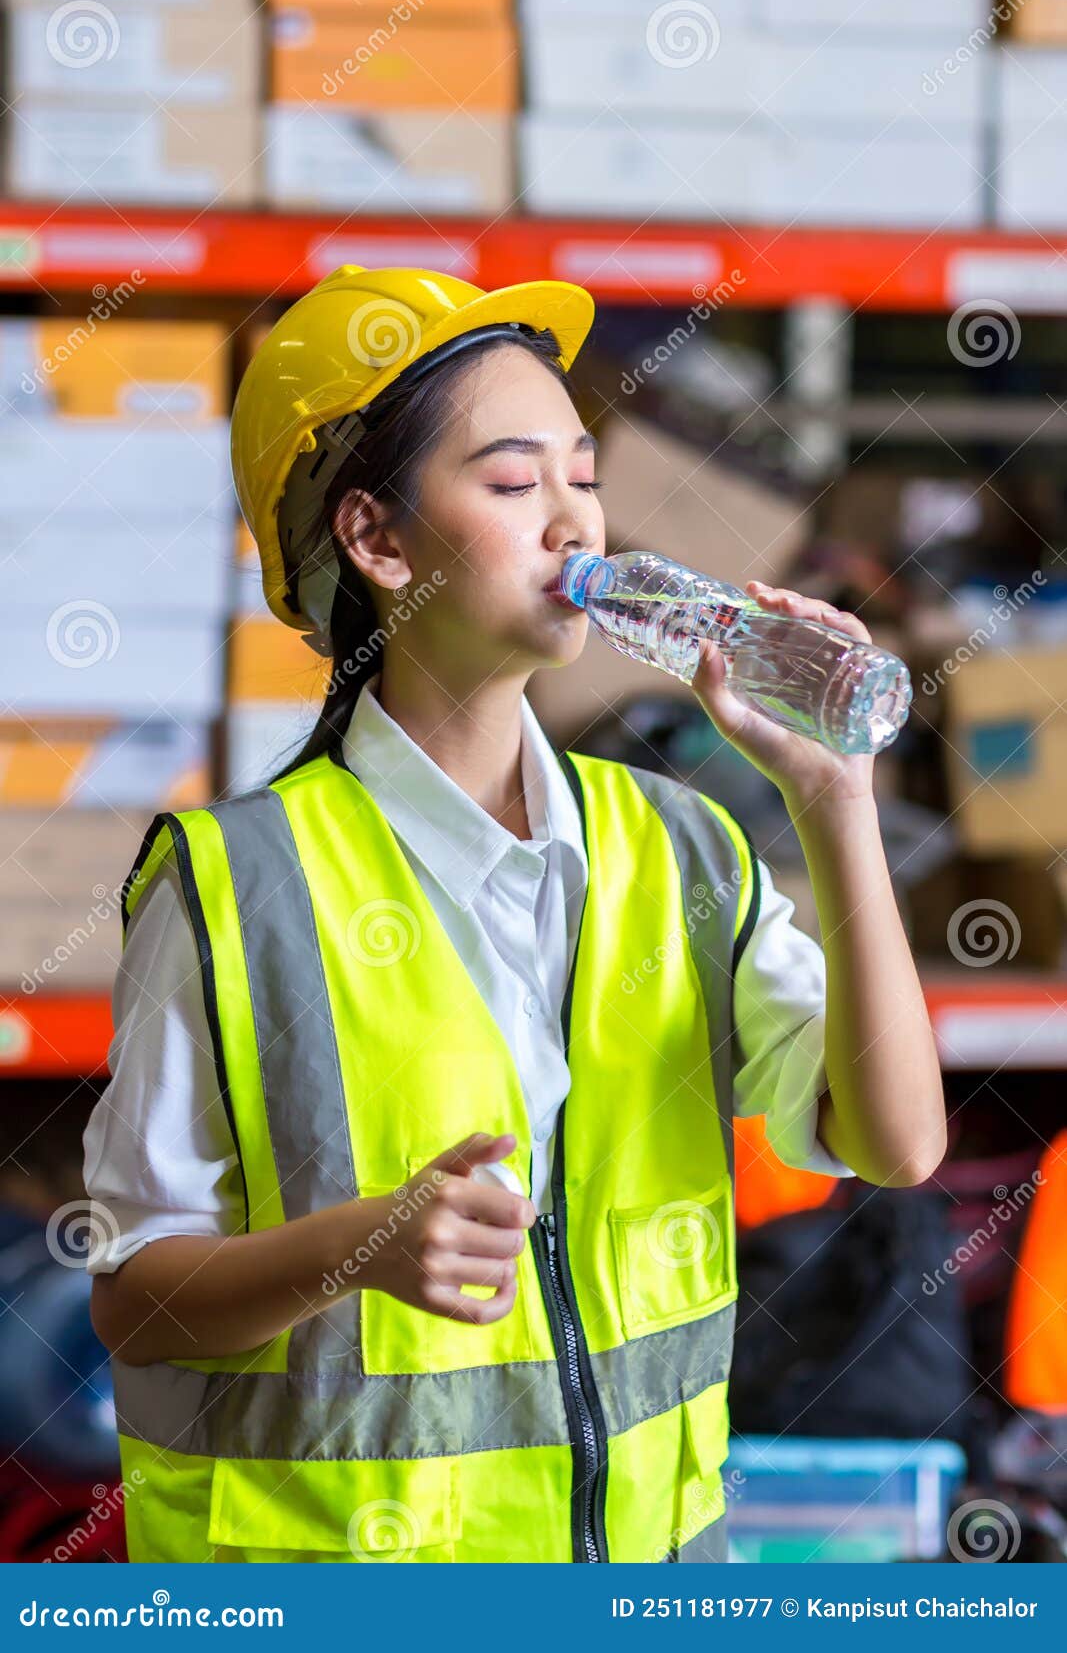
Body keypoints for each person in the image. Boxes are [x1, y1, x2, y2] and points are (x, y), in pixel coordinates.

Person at [84, 264, 947, 1564]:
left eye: (584, 475)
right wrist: (354, 1247)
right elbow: (135, 1304)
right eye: (510, 482)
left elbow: (896, 1143)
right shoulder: (234, 883)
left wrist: (835, 804)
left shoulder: (681, 846)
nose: (574, 524)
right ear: (377, 541)